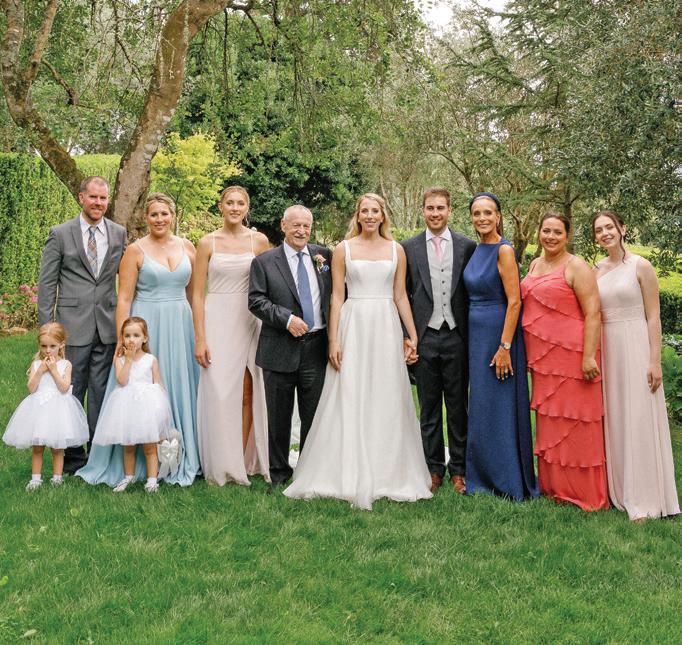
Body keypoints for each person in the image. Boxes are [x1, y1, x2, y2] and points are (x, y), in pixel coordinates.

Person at [283, 194, 432, 509]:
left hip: (386, 325)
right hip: (354, 324)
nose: (370, 215)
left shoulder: (396, 250)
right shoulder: (343, 249)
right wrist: (333, 340)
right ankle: (344, 467)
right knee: (350, 391)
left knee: (386, 392)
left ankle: (388, 468)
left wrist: (412, 334)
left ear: (383, 215)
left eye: (375, 211)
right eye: (365, 210)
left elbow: (400, 295)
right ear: (358, 215)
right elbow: (337, 297)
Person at [77, 193, 200, 487]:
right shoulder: (135, 250)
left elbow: (195, 295)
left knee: (179, 382)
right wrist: (124, 338)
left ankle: (182, 452)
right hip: (147, 322)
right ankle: (137, 463)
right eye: (154, 214)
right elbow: (124, 297)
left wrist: (199, 334)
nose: (159, 219)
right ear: (146, 218)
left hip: (180, 324)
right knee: (139, 384)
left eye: (164, 214)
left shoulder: (188, 247)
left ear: (173, 216)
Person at [592, 210, 679, 520]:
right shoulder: (596, 270)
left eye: (610, 227)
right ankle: (620, 488)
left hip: (636, 345)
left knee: (639, 415)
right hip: (608, 348)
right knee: (616, 416)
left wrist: (655, 360)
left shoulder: (641, 266)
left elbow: (653, 316)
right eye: (599, 230)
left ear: (622, 229)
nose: (605, 233)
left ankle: (645, 496)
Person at [37, 176, 127, 473]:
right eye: (93, 197)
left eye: (103, 198)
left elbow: (128, 278)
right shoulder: (60, 233)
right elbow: (47, 284)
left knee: (102, 391)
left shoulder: (118, 233)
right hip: (71, 326)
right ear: (81, 198)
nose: (98, 203)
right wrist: (47, 331)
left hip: (107, 325)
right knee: (71, 391)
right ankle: (73, 456)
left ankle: (98, 454)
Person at [521, 212, 609, 511]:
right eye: (546, 230)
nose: (551, 236)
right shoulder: (535, 264)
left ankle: (584, 493)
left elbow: (593, 312)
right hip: (544, 362)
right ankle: (553, 488)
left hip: (572, 357)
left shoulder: (577, 266)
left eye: (557, 232)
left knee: (577, 423)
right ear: (539, 233)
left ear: (567, 236)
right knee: (551, 423)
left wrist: (588, 356)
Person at [248, 205, 331, 488]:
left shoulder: (324, 256)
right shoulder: (264, 262)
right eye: (296, 225)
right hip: (279, 348)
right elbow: (256, 301)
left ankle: (308, 471)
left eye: (306, 226)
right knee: (279, 417)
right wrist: (287, 320)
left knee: (313, 415)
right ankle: (279, 474)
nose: (301, 231)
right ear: (283, 226)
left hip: (316, 349)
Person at [193, 186, 271, 486]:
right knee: (220, 390)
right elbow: (197, 295)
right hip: (218, 318)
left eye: (240, 203)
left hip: (251, 318)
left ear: (247, 207)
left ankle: (242, 457)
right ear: (221, 206)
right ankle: (221, 459)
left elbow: (270, 283)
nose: (235, 208)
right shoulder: (206, 243)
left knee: (249, 391)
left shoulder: (258, 241)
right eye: (230, 203)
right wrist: (200, 337)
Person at [462, 193, 538, 500]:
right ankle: (481, 476)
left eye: (488, 213)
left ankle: (507, 479)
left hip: (498, 333)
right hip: (476, 336)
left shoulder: (504, 250)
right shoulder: (477, 249)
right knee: (482, 405)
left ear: (498, 216)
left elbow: (515, 301)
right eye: (477, 213)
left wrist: (505, 346)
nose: (482, 218)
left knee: (500, 405)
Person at [401, 188, 476, 493]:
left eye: (440, 208)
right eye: (430, 208)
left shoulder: (467, 246)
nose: (435, 213)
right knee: (429, 408)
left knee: (458, 407)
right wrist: (407, 337)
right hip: (425, 337)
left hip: (457, 336)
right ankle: (433, 469)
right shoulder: (408, 248)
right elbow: (402, 295)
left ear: (449, 211)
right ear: (423, 210)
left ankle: (459, 469)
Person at [92, 317, 174, 493]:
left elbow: (158, 383)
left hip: (147, 408)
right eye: (127, 335)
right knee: (128, 446)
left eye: (136, 335)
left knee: (150, 446)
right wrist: (128, 360)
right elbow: (122, 381)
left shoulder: (151, 359)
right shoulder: (120, 360)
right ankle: (128, 477)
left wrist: (162, 410)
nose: (131, 340)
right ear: (122, 338)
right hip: (126, 407)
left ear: (145, 338)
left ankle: (152, 480)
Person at [3, 323, 89, 490]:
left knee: (57, 448)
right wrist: (41, 370)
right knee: (38, 447)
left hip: (58, 410)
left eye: (52, 346)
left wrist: (54, 370)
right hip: (40, 410)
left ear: (61, 345)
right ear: (39, 345)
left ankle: (57, 478)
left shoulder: (66, 364)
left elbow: (64, 388)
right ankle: (36, 479)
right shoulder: (37, 364)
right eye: (44, 346)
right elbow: (31, 388)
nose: (48, 350)